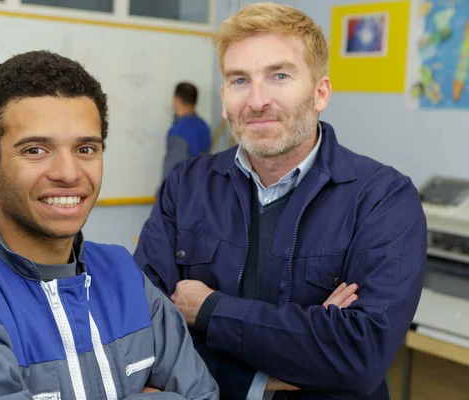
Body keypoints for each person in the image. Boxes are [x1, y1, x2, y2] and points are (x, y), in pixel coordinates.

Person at [133, 3, 427, 400]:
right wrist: (254, 377)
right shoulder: (185, 186)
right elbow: (140, 336)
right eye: (239, 80)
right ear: (223, 98)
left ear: (320, 92)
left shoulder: (382, 198)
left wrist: (207, 309)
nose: (257, 101)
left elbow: (361, 354)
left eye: (280, 76)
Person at [0, 51, 218, 400]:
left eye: (86, 149)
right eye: (35, 150)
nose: (68, 173)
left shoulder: (125, 275)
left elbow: (203, 394)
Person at [161, 82, 211, 181]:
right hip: (200, 188)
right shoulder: (204, 126)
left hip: (182, 192)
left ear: (176, 99)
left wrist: (162, 194)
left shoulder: (179, 130)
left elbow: (172, 171)